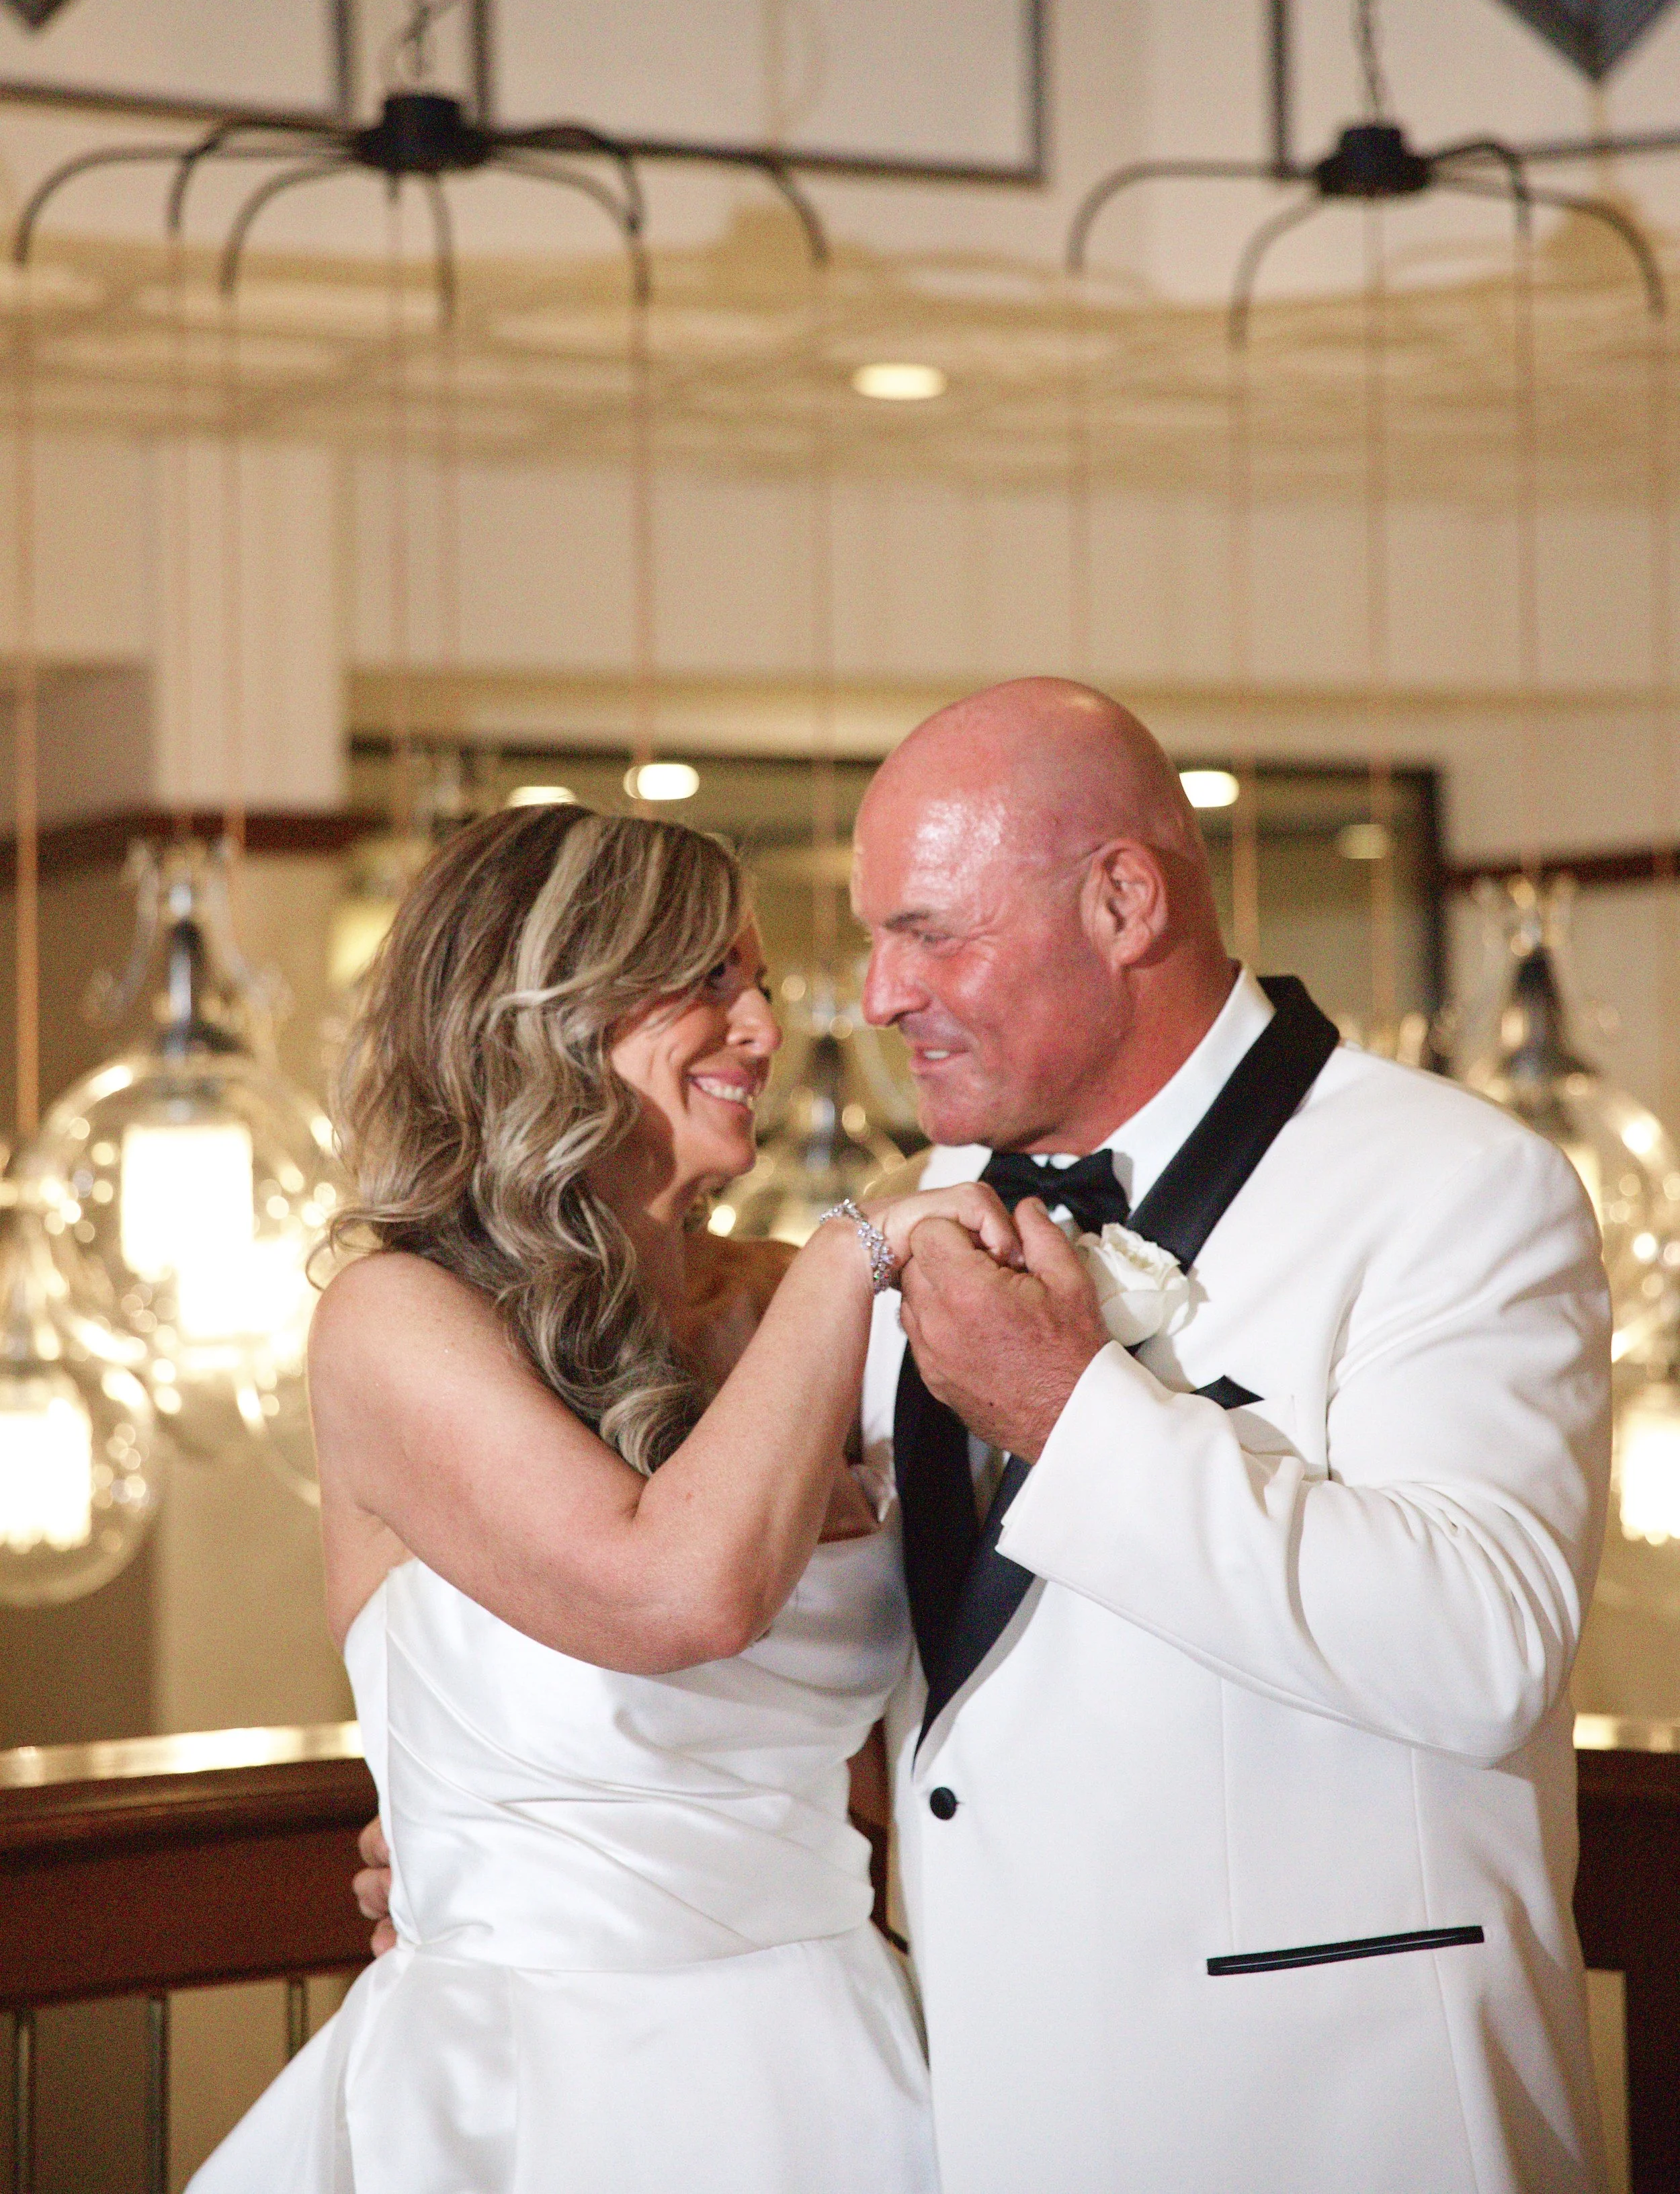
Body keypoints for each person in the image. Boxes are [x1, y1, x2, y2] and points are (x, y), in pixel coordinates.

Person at [847, 678, 1612, 2194]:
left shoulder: (1455, 1187)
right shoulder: (915, 1211)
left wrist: (1072, 1414)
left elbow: (1482, 1644)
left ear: (1123, 901)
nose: (877, 996)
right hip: (985, 2109)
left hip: (1337, 2115)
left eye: (928, 931)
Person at [187, 801, 1018, 2194]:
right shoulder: (396, 1321)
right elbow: (675, 1594)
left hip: (841, 2057)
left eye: (754, 982)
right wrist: (851, 1252)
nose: (761, 1028)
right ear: (545, 1013)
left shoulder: (796, 1307)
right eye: (706, 983)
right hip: (533, 2083)